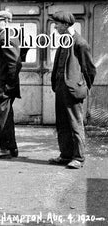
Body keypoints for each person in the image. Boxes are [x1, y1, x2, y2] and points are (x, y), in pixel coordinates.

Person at [49, 11, 96, 169]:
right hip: (61, 88)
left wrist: (83, 87)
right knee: (62, 124)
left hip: (73, 90)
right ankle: (65, 155)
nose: (55, 26)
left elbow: (89, 69)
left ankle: (79, 158)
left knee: (75, 124)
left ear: (66, 24)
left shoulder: (80, 43)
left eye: (57, 24)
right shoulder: (64, 40)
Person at [0, 10, 21, 159]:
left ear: (7, 21)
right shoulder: (5, 36)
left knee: (2, 119)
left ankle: (5, 149)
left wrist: (9, 85)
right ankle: (11, 148)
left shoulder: (7, 37)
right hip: (2, 86)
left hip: (3, 87)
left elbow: (14, 63)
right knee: (5, 118)